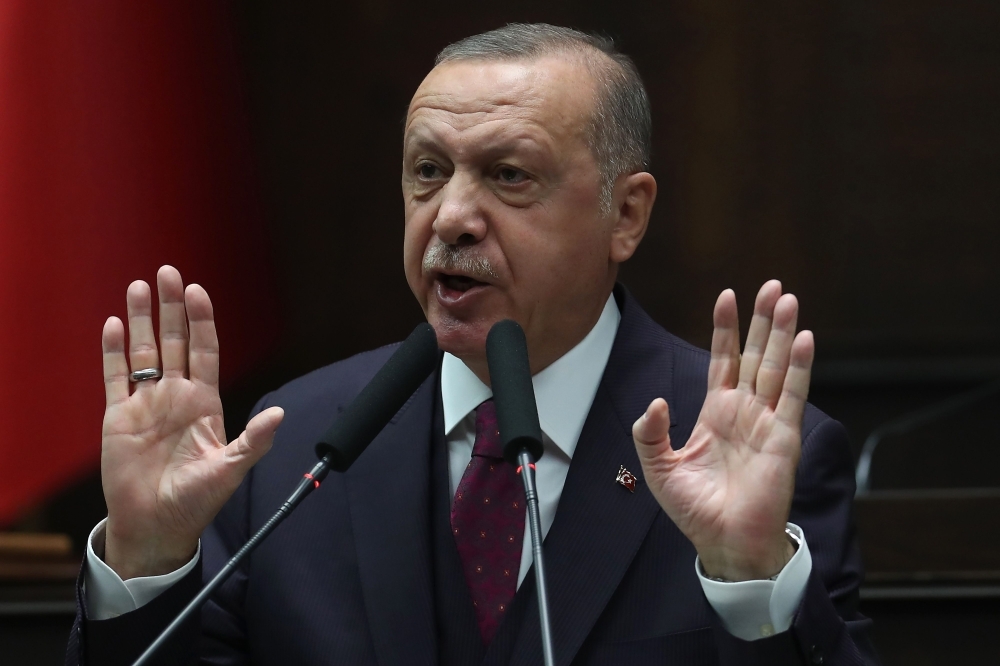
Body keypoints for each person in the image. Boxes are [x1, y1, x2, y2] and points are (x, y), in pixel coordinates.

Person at [67, 24, 879, 665]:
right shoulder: (286, 449)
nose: (450, 215)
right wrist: (145, 563)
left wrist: (751, 584)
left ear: (625, 214)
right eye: (428, 171)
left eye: (509, 175)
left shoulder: (752, 448)